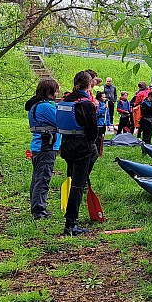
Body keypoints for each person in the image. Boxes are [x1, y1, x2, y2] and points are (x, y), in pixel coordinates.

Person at [57, 71, 98, 236]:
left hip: (66, 147)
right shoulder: (86, 104)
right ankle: (70, 224)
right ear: (89, 85)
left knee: (75, 182)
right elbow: (93, 132)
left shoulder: (64, 100)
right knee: (77, 186)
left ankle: (71, 220)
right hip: (82, 149)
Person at [25, 78, 61, 221]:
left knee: (37, 179)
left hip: (39, 146)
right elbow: (60, 120)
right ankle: (39, 210)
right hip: (46, 147)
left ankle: (36, 207)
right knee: (43, 178)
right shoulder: (46, 107)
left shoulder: (36, 105)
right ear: (50, 91)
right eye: (56, 90)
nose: (58, 92)